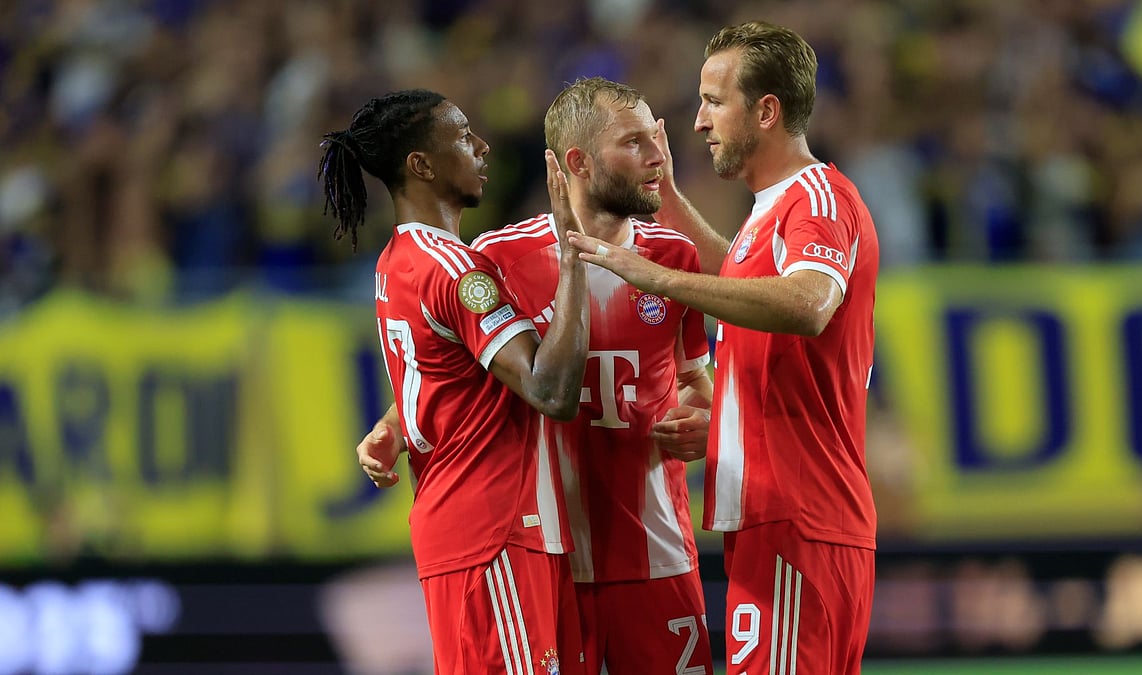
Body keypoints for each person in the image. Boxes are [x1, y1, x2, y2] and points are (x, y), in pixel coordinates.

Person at [567, 22, 880, 675]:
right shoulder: (771, 211)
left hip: (799, 515)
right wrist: (672, 201)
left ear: (766, 110)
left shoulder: (816, 199)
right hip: (777, 517)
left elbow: (808, 303)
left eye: (714, 101)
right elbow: (739, 283)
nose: (699, 120)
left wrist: (657, 276)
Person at [319, 89, 591, 675]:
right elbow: (549, 391)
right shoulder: (457, 269)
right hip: (495, 528)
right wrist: (573, 258)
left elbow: (438, 375)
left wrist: (391, 425)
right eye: (464, 136)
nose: (482, 146)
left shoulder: (397, 261)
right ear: (421, 164)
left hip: (460, 529)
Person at [471, 77, 715, 675]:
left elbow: (696, 385)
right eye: (634, 142)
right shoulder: (498, 259)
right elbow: (464, 374)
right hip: (545, 556)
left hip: (655, 550)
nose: (658, 156)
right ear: (577, 162)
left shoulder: (674, 260)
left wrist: (707, 423)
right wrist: (393, 423)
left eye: (656, 138)